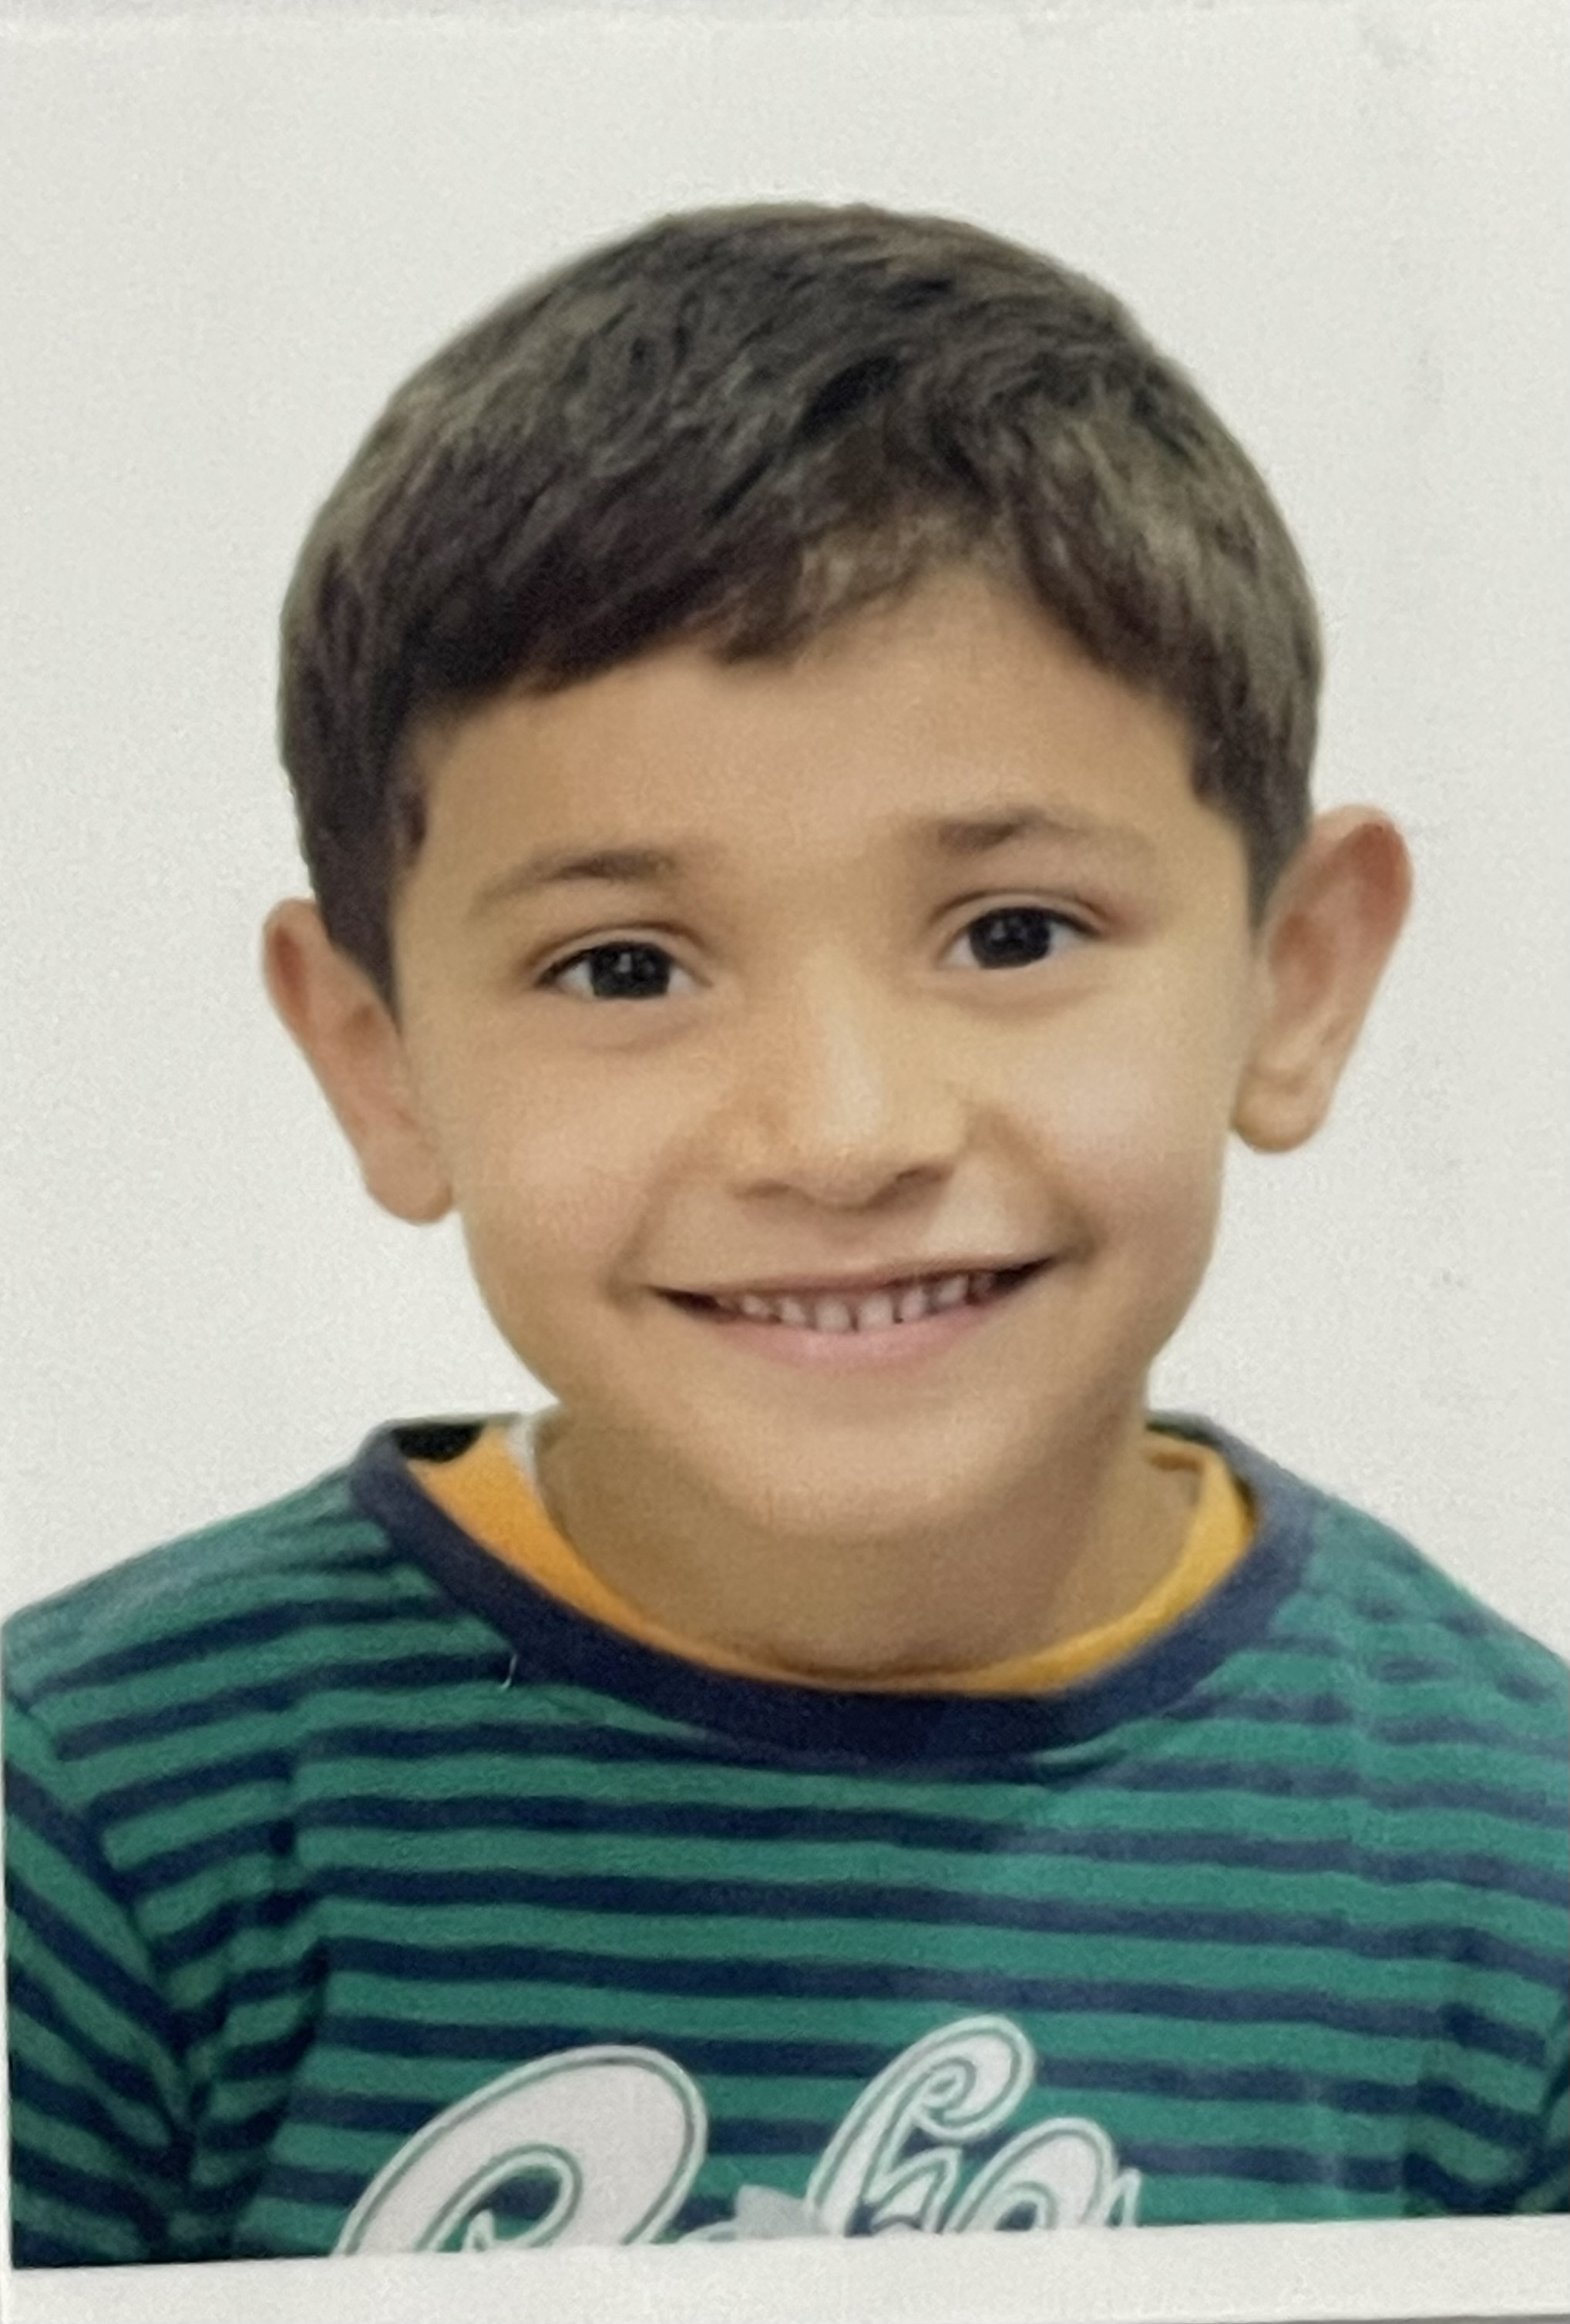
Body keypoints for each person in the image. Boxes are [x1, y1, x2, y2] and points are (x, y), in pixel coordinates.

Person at [5, 202, 1565, 2271]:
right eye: (624, 967)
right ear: (379, 1061)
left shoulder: (1516, 1873)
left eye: (1014, 933)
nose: (843, 1135)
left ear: (1296, 981)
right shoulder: (92, 1832)